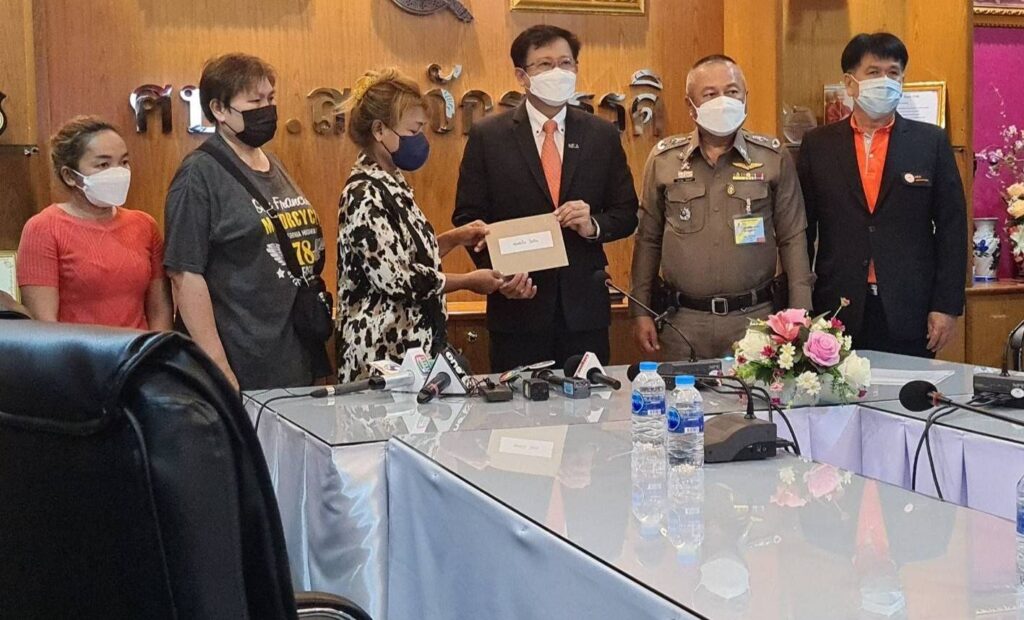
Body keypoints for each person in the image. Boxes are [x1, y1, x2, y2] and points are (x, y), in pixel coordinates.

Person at [454, 25, 639, 372]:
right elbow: (468, 218)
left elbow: (627, 213)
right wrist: (499, 275)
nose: (558, 72)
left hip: (583, 312)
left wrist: (593, 224)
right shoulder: (488, 136)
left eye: (566, 63)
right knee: (517, 405)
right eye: (545, 64)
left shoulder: (601, 134)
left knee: (590, 402)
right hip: (517, 309)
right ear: (521, 75)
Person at [630, 55, 813, 360]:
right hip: (681, 323)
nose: (723, 101)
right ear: (691, 105)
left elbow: (793, 238)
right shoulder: (664, 160)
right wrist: (640, 310)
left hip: (755, 321)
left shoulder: (772, 157)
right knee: (682, 393)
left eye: (732, 91)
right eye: (710, 94)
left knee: (754, 393)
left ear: (745, 98)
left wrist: (800, 312)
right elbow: (647, 239)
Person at [164, 53, 328, 391]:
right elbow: (184, 274)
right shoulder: (199, 174)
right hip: (241, 361)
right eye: (254, 101)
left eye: (270, 98)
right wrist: (219, 366)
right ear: (219, 109)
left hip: (292, 355)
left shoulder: (273, 163)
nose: (266, 109)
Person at [798, 33, 967, 358]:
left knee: (908, 389)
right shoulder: (818, 145)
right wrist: (800, 303)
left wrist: (947, 305)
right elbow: (803, 231)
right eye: (874, 72)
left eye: (893, 73)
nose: (885, 81)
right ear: (850, 83)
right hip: (837, 306)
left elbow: (952, 229)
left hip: (911, 308)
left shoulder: (930, 142)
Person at [336, 69, 503, 382]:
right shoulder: (364, 193)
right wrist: (467, 281)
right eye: (413, 130)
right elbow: (395, 278)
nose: (420, 140)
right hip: (382, 354)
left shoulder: (393, 184)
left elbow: (408, 256)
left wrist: (455, 238)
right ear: (379, 130)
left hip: (414, 347)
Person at [17, 116, 171, 330]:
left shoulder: (144, 225)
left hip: (139, 349)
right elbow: (44, 326)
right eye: (103, 164)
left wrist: (157, 349)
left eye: (123, 162)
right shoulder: (43, 228)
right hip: (76, 350)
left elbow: (160, 311)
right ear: (70, 176)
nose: (118, 172)